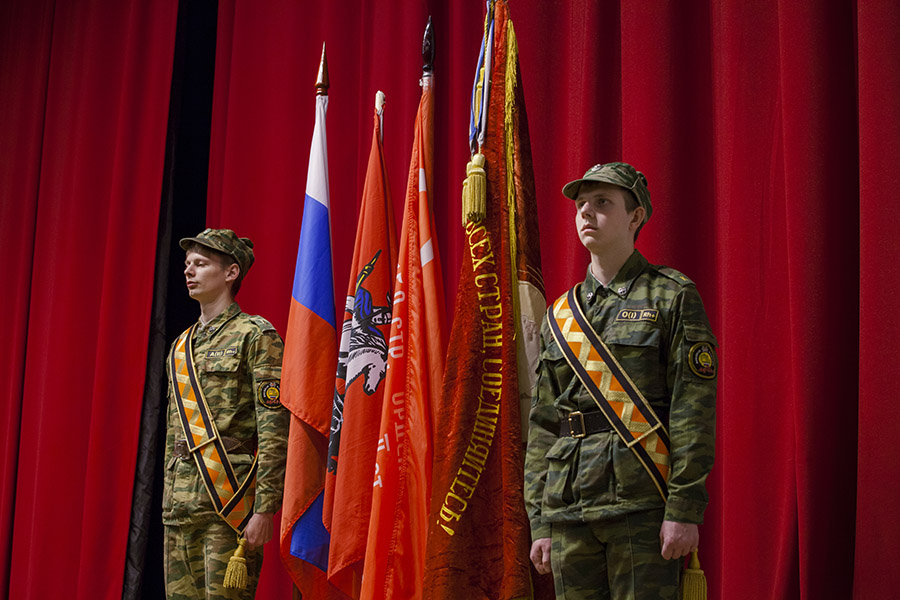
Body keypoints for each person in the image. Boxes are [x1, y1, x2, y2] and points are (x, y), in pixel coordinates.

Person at [524, 163, 717, 599]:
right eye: (581, 204)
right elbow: (543, 423)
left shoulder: (671, 296)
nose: (586, 212)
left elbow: (693, 410)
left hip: (641, 503)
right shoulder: (560, 316)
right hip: (569, 506)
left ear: (635, 216)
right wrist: (540, 519)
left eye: (602, 202)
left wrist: (684, 507)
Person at [163, 228, 289, 599]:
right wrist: (169, 500)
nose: (189, 271)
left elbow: (274, 427)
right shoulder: (181, 346)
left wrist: (265, 508)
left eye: (201, 264)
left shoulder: (256, 335)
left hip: (228, 505)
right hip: (179, 508)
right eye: (188, 264)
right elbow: (174, 434)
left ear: (231, 272)